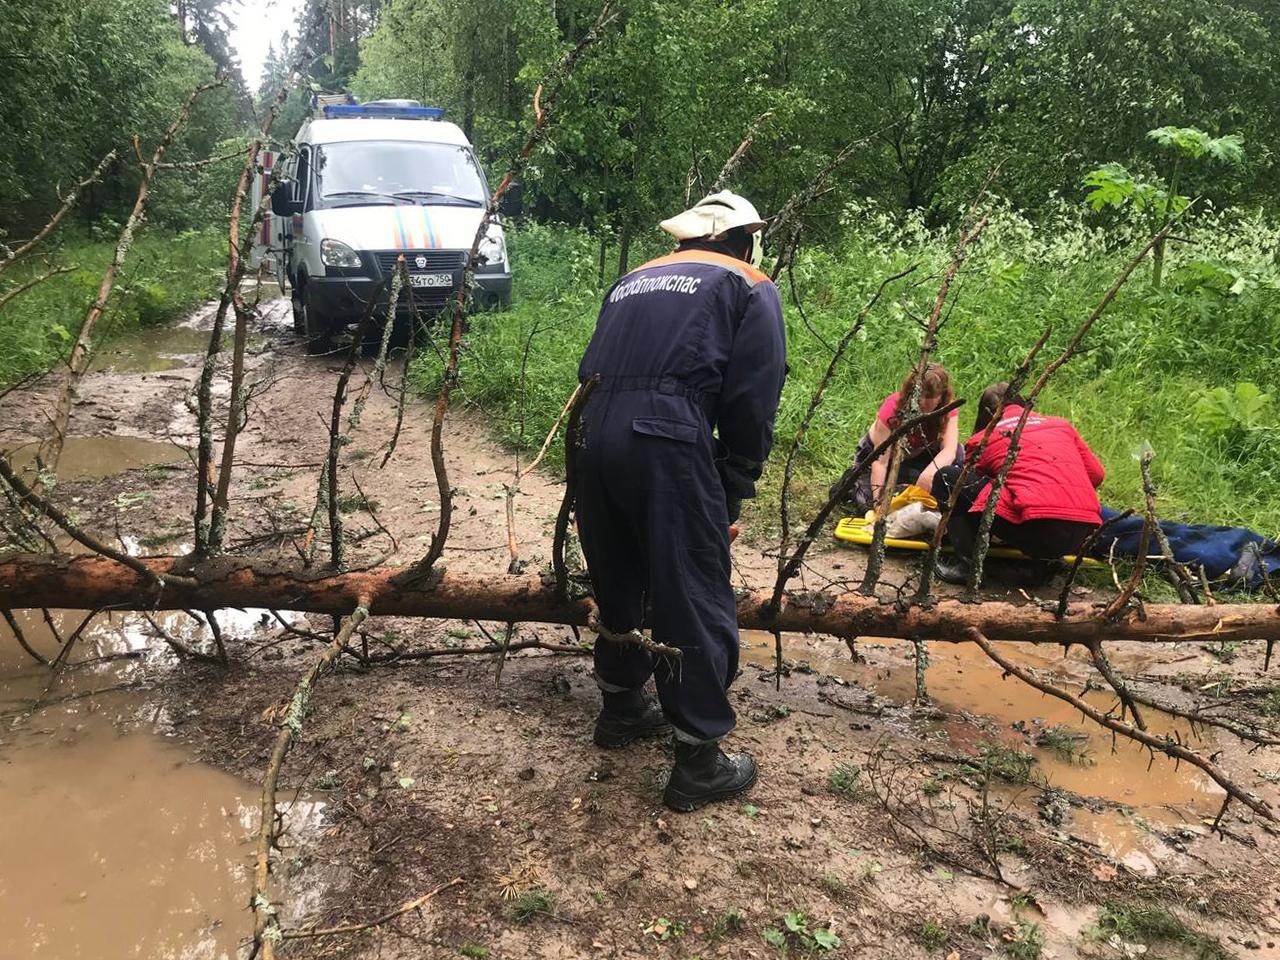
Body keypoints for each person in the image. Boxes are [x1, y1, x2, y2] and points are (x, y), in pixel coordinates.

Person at [573, 190, 787, 812]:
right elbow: (752, 397)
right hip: (666, 434)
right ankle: (698, 759)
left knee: (618, 573)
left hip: (592, 431)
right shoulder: (748, 283)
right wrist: (730, 491)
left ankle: (620, 707)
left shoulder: (632, 280)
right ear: (745, 239)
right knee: (690, 585)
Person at [931, 382, 1104, 585]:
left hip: (1037, 530)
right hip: (1082, 528)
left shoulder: (983, 439)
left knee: (948, 478)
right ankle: (1042, 566)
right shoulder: (1061, 425)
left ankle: (967, 568)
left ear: (986, 413)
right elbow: (1097, 475)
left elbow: (973, 488)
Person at [846, 363, 962, 515]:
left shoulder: (947, 408)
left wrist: (928, 476)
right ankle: (853, 481)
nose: (925, 402)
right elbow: (880, 461)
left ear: (942, 396)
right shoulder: (892, 408)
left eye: (932, 397)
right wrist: (877, 505)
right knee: (869, 503)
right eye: (922, 396)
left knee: (959, 454)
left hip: (916, 455)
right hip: (879, 456)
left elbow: (950, 450)